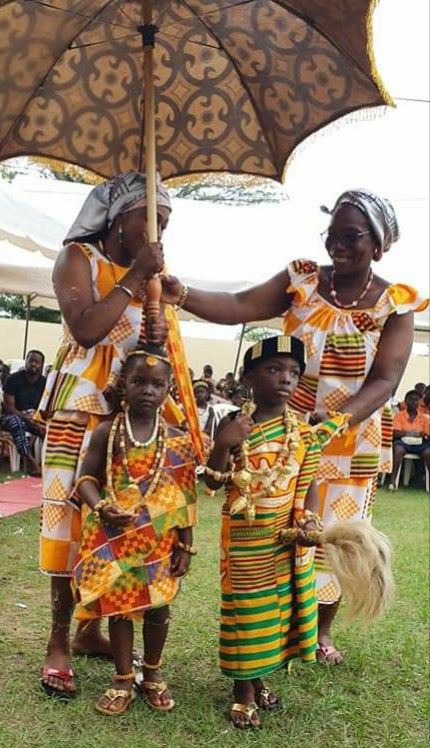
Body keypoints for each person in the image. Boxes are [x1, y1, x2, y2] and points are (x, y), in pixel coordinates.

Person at [162, 188, 429, 664]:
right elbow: (239, 304)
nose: (337, 246)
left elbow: (386, 381)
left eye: (352, 236)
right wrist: (181, 293)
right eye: (333, 235)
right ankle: (277, 628)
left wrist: (339, 419)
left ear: (379, 245)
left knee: (333, 536)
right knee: (278, 529)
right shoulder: (302, 281)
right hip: (284, 435)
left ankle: (320, 632)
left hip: (351, 440)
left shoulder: (394, 305)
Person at [204, 335, 390, 729]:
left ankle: (258, 678)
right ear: (248, 376)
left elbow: (307, 485)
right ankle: (243, 692)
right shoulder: (235, 424)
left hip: (287, 541)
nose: (285, 379)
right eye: (273, 370)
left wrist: (306, 522)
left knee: (277, 612)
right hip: (244, 540)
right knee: (247, 612)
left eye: (292, 372)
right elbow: (213, 482)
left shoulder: (303, 432)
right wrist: (223, 443)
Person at [38, 171, 174, 697]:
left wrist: (163, 320)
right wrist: (134, 278)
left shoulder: (155, 274)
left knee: (118, 522)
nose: (159, 229)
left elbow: (148, 355)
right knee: (68, 523)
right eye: (150, 217)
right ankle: (58, 641)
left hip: (126, 419)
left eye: (166, 221)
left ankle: (92, 628)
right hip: (79, 408)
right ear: (118, 218)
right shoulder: (79, 258)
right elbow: (86, 328)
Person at [71, 346, 197, 715]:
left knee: (158, 609)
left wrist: (185, 547)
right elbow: (86, 479)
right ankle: (123, 677)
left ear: (169, 389)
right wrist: (100, 506)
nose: (148, 390)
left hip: (160, 541)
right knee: (121, 610)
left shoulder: (178, 439)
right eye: (139, 381)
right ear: (123, 384)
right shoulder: (108, 432)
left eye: (157, 384)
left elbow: (185, 498)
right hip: (114, 539)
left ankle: (153, 675)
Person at [1, 350, 46, 475]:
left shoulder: (45, 383)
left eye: (37, 362)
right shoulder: (13, 380)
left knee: (49, 428)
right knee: (17, 422)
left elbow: (45, 407)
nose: (33, 364)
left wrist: (38, 418)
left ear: (42, 366)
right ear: (26, 362)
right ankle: (30, 461)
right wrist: (26, 417)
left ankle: (51, 464)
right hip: (9, 418)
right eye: (30, 361)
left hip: (33, 419)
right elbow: (10, 408)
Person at [390, 389, 430, 490]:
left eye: (416, 400)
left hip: (419, 443)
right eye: (411, 399)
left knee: (428, 452)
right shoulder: (399, 415)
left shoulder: (423, 418)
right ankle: (393, 481)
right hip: (403, 442)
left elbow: (427, 434)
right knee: (398, 450)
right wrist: (408, 433)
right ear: (406, 401)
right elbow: (395, 433)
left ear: (419, 402)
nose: (414, 402)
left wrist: (423, 434)